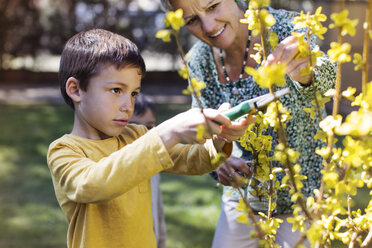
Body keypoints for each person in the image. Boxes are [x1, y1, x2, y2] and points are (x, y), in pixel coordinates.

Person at [46, 28, 252, 248]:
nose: (128, 106)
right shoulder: (64, 151)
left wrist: (220, 137)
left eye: (134, 93)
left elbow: (196, 160)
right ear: (76, 89)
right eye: (116, 90)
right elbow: (93, 185)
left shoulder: (136, 136)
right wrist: (168, 132)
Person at [161, 0, 336, 247]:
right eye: (192, 20)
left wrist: (308, 72)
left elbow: (328, 84)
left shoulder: (286, 27)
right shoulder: (198, 61)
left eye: (213, 6)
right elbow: (201, 133)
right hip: (242, 198)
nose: (208, 27)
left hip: (303, 196)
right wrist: (217, 161)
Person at [129, 93, 167, 248]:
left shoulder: (152, 163)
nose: (142, 133)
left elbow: (157, 209)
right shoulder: (113, 167)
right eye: (133, 126)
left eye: (148, 127)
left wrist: (161, 241)